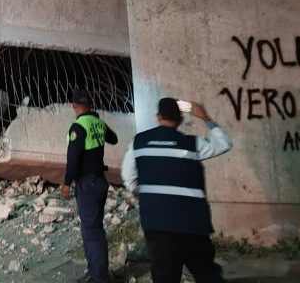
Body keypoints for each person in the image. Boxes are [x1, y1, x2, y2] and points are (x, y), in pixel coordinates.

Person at [121, 98, 232, 283]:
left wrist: (151, 195)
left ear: (158, 116)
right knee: (206, 274)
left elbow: (129, 179)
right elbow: (224, 143)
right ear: (180, 119)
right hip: (192, 224)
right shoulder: (192, 144)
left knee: (165, 277)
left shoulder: (138, 142)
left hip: (157, 224)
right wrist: (206, 117)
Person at [62, 87, 118, 283]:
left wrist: (66, 183)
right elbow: (114, 139)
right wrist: (98, 123)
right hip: (100, 181)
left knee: (91, 230)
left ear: (73, 105)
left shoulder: (78, 128)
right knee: (95, 227)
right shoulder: (98, 123)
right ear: (90, 104)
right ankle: (95, 270)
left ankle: (99, 276)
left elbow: (73, 159)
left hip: (87, 184)